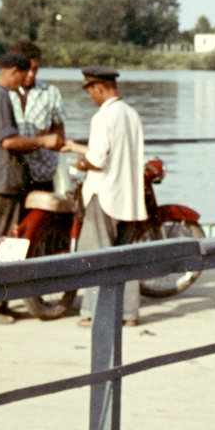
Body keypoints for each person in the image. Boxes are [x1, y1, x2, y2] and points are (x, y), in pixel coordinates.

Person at [0, 50, 61, 324]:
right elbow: (8, 141)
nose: (25, 80)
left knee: (10, 242)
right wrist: (43, 141)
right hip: (1, 181)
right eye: (24, 74)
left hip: (1, 180)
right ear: (13, 72)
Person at [61, 66, 146, 327]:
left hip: (105, 196)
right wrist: (77, 147)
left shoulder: (102, 117)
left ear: (98, 87)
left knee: (96, 257)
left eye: (90, 91)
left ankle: (94, 313)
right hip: (129, 197)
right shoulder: (131, 114)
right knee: (127, 258)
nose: (90, 97)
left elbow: (97, 160)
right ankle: (129, 314)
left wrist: (80, 163)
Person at [7, 40, 66, 191]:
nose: (31, 74)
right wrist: (36, 141)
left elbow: (60, 131)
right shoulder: (2, 94)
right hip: (12, 174)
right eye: (27, 69)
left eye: (35, 69)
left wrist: (47, 137)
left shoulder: (50, 92)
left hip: (43, 171)